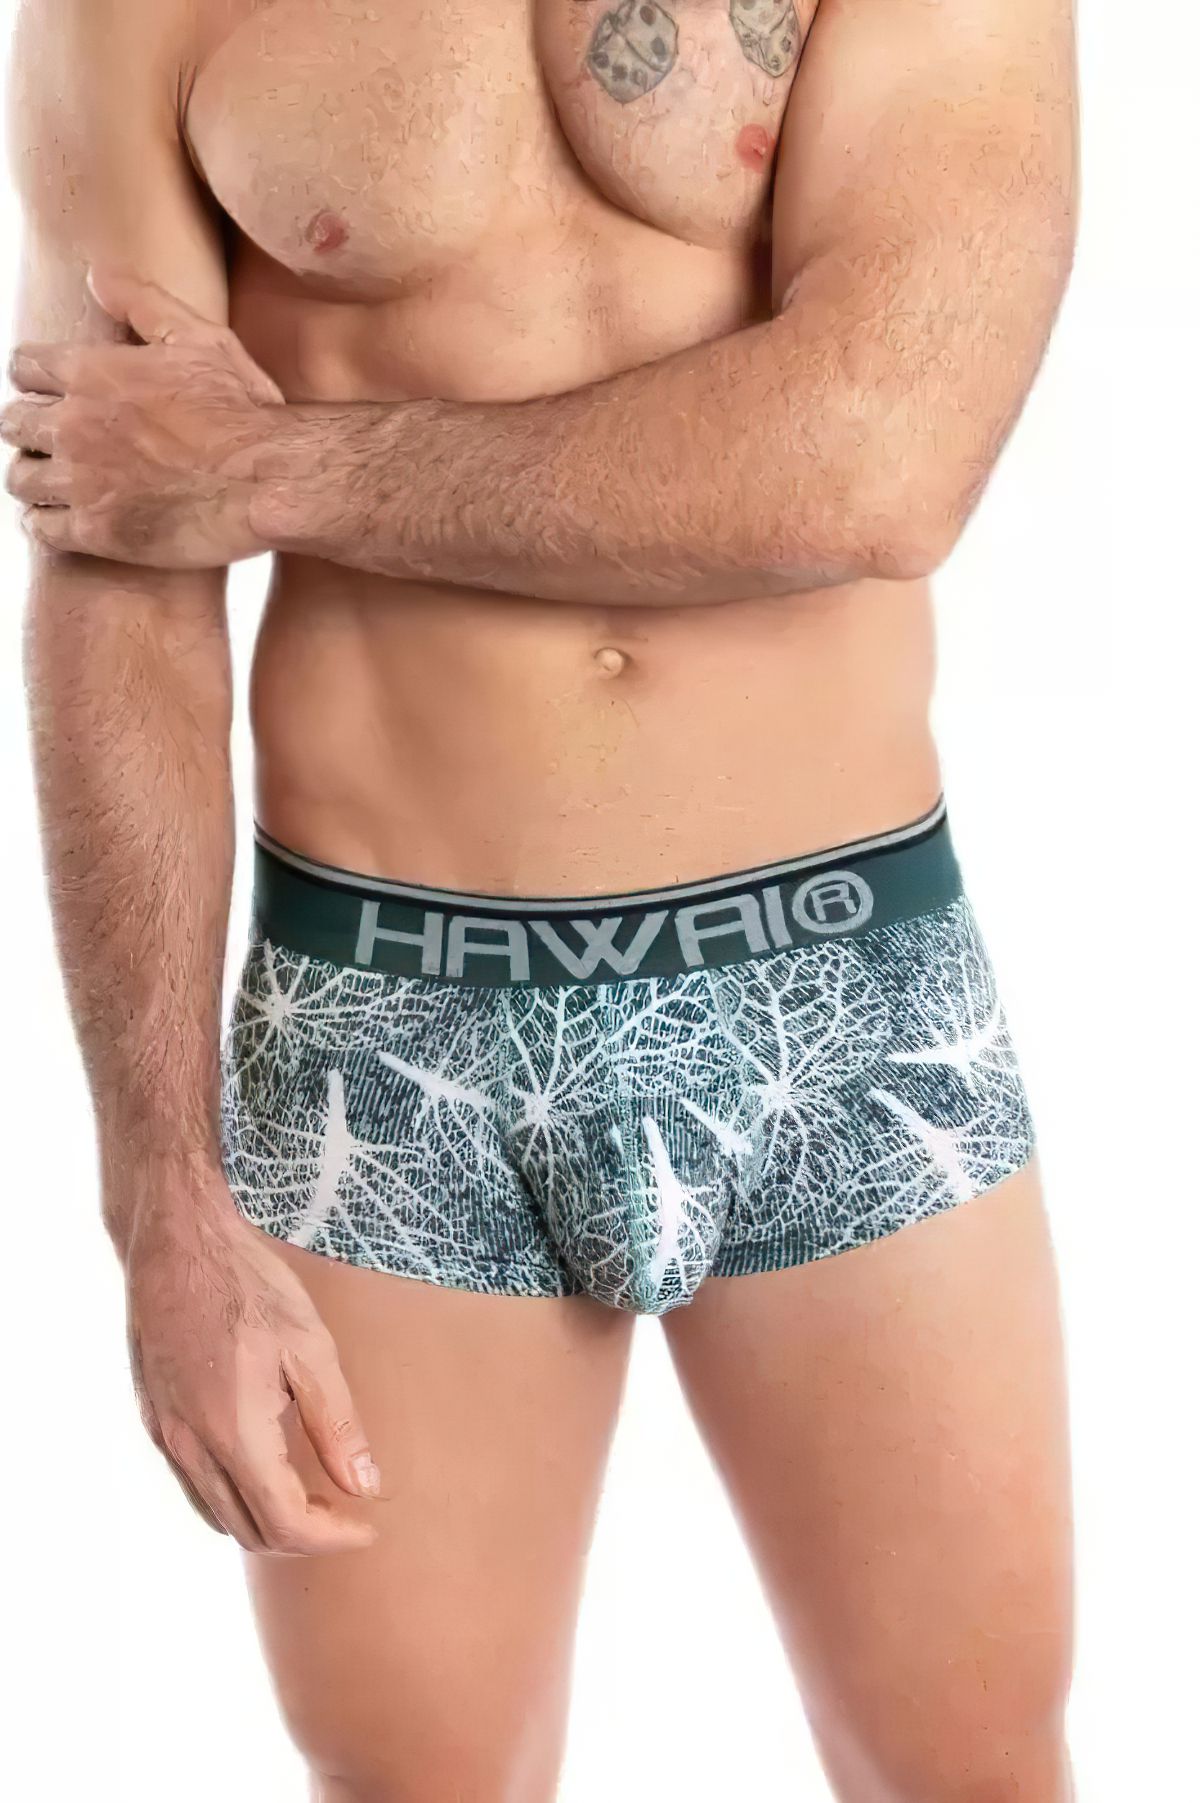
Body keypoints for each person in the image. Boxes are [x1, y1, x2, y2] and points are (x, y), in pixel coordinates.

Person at [3, 0, 1079, 1796]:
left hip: (841, 989)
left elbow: (885, 453)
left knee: (970, 1766)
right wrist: (158, 1196)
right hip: (387, 1026)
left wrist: (267, 470)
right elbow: (115, 550)